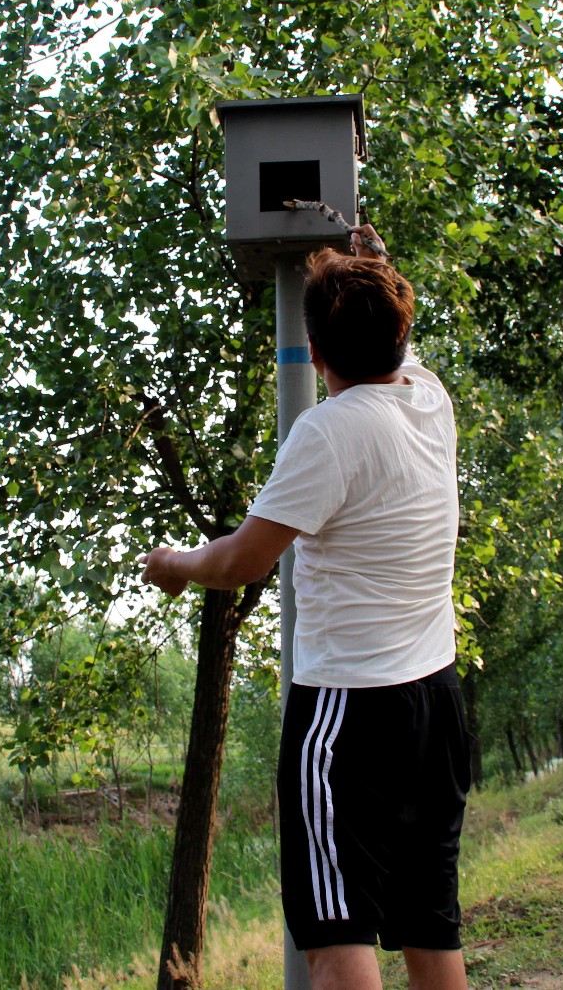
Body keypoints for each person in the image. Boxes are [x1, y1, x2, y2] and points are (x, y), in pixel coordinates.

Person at [139, 227, 468, 990]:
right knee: (429, 923)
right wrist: (378, 267)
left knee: (334, 935)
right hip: (436, 705)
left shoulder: (326, 433)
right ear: (399, 332)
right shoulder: (429, 402)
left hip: (349, 718)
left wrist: (178, 567)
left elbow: (243, 559)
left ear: (314, 354)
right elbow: (394, 340)